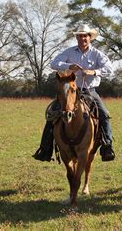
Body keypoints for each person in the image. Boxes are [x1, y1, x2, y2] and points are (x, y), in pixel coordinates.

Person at [33, 24, 116, 162]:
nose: (82, 38)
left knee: (104, 115)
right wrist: (69, 66)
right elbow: (54, 63)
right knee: (52, 114)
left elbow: (109, 69)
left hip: (89, 91)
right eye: (80, 36)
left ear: (90, 38)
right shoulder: (69, 52)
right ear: (77, 37)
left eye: (85, 36)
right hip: (70, 92)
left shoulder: (97, 54)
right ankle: (45, 149)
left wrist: (94, 72)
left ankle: (107, 147)